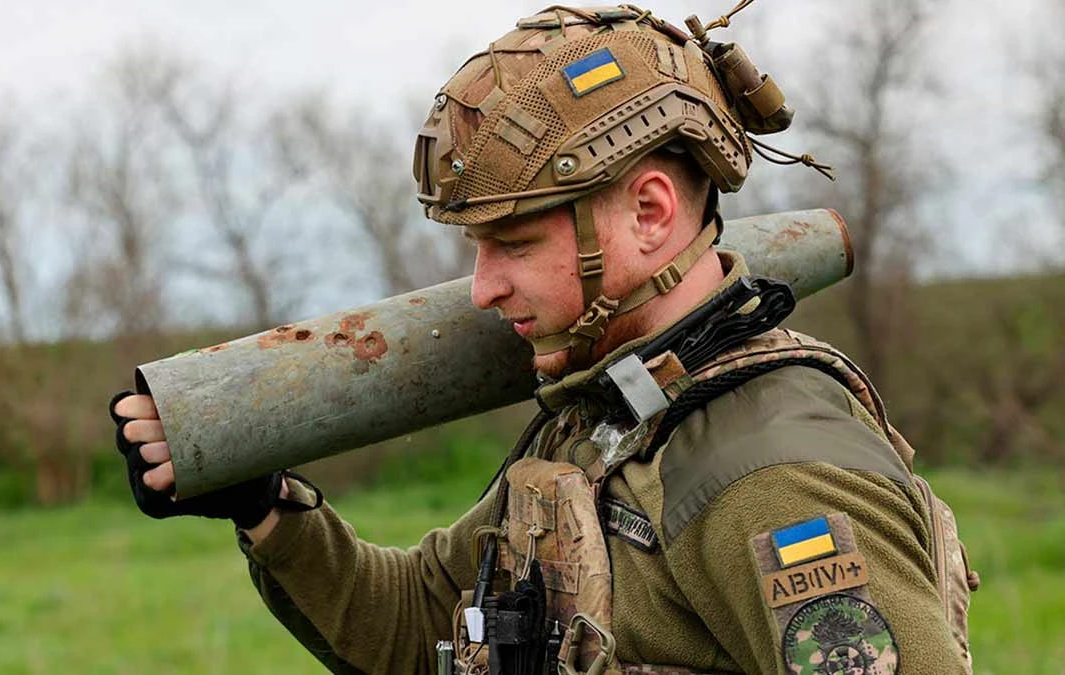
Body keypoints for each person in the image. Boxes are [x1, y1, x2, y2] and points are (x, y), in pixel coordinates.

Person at [111, 5, 976, 674]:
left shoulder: (768, 475)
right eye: (476, 250)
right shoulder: (609, 420)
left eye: (515, 245)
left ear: (648, 214)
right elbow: (419, 626)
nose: (483, 288)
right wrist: (264, 508)